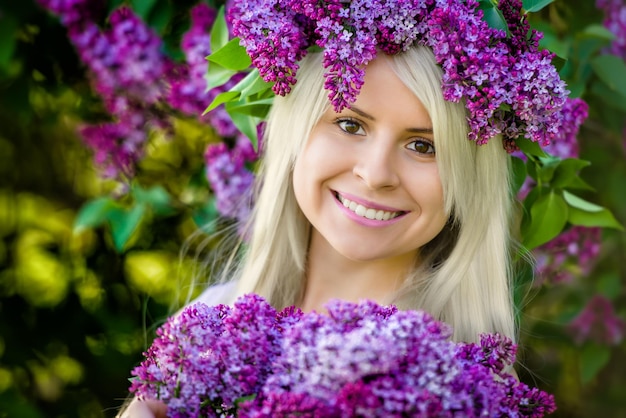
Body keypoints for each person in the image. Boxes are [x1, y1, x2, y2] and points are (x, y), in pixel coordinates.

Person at [120, 0, 572, 415]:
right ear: (295, 132)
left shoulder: (469, 386)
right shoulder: (207, 331)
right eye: (350, 123)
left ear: (468, 180)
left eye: (423, 145)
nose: (376, 174)